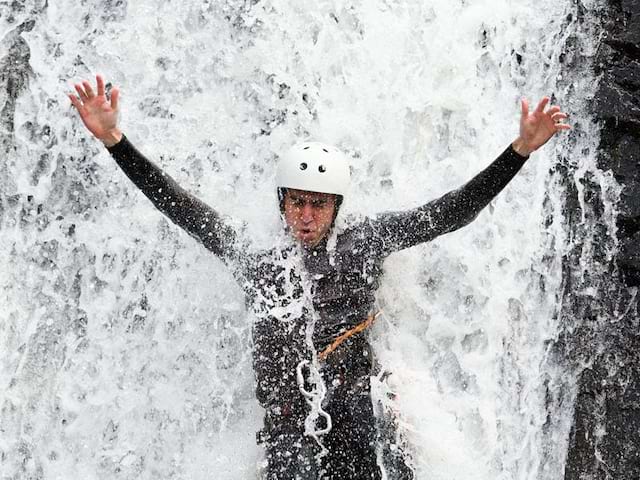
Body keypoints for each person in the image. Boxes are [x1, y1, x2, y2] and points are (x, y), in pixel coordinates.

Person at [68, 75, 570, 479]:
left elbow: (450, 213)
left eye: (319, 204)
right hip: (288, 424)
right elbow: (179, 206)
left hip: (355, 410)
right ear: (283, 203)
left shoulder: (365, 242)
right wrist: (115, 140)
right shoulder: (254, 257)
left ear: (336, 207)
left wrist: (519, 151)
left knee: (374, 442)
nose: (307, 216)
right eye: (297, 202)